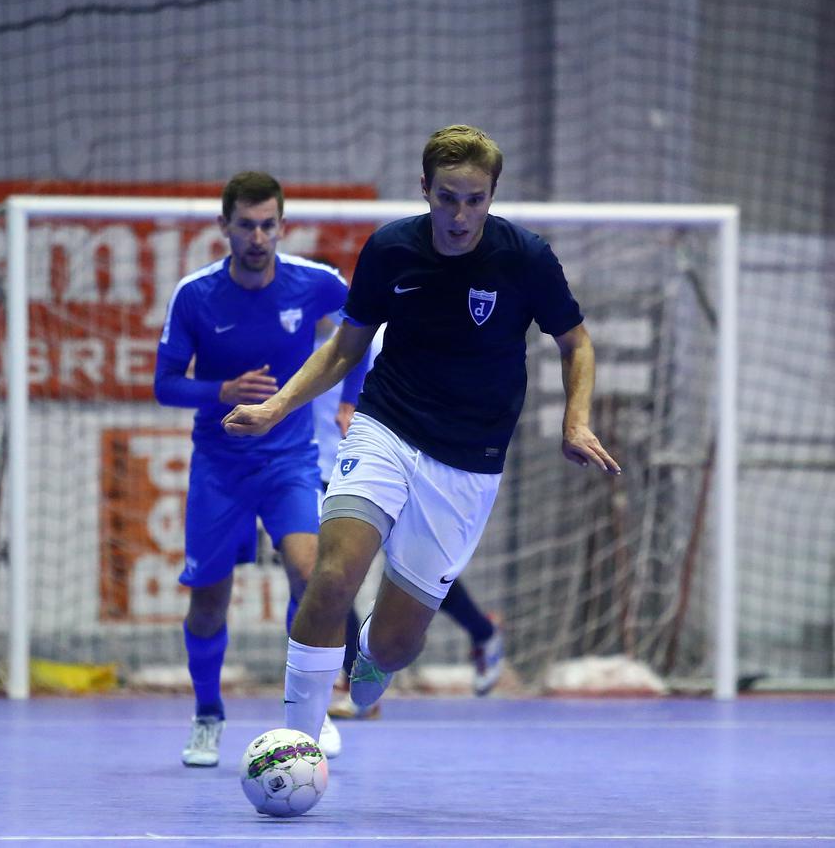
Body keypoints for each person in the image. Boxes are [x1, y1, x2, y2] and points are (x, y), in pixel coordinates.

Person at [223, 126, 621, 747]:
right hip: (388, 424)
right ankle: (297, 741)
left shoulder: (525, 257)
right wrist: (276, 407)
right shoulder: (390, 250)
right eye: (447, 198)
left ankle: (375, 659)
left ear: (492, 195)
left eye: (474, 200)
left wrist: (576, 420)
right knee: (330, 578)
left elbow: (576, 342)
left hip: (468, 461)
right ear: (425, 190)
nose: (460, 216)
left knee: (396, 644)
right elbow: (344, 347)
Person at [153, 171, 358, 766]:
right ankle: (207, 715)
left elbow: (363, 334)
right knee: (210, 600)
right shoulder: (195, 295)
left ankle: (307, 717)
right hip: (219, 469)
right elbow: (164, 385)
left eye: (268, 224)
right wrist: (222, 390)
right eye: (246, 225)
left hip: (290, 462)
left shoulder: (312, 283)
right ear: (225, 228)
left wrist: (350, 399)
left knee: (312, 574)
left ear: (282, 227)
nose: (258, 236)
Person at [310, 322, 505, 718]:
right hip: (317, 470)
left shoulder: (380, 331)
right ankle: (355, 682)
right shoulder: (294, 342)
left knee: (412, 574)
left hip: (382, 469)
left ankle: (482, 631)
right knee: (334, 576)